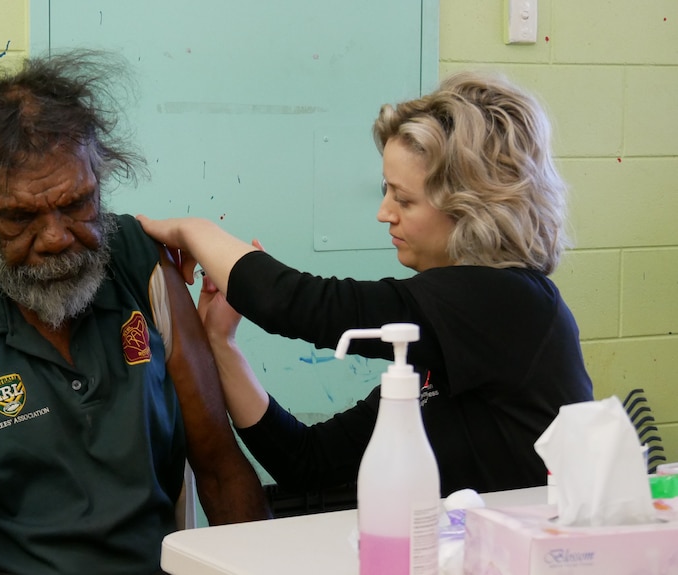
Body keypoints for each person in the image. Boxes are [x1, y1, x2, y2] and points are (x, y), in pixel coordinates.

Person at [0, 51, 270, 575]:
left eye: (78, 204)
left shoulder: (137, 262)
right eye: (20, 217)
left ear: (99, 184)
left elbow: (220, 466)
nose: (57, 238)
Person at [137, 71, 595, 499]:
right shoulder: (441, 342)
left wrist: (192, 231)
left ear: (470, 207)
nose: (385, 213)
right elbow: (308, 464)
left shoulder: (508, 304)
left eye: (405, 199)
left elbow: (297, 303)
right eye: (386, 191)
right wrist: (222, 343)